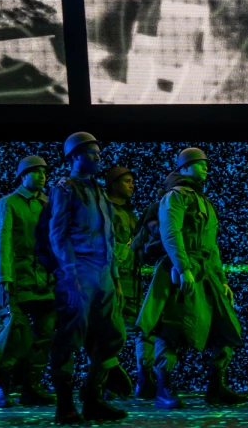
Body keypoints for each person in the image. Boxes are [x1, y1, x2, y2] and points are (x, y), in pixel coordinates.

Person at [137, 147, 248, 410]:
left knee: (226, 329)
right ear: (184, 168)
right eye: (199, 164)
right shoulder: (175, 197)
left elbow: (212, 246)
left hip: (206, 272)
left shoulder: (204, 202)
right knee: (173, 328)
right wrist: (182, 267)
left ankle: (216, 388)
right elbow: (170, 232)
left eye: (205, 164)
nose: (205, 168)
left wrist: (222, 279)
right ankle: (164, 389)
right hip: (180, 271)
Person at [49, 132, 127, 424]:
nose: (98, 157)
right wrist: (69, 275)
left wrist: (115, 278)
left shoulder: (99, 191)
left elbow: (109, 236)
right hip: (79, 270)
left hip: (103, 272)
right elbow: (58, 235)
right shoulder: (65, 188)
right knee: (69, 337)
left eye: (97, 152)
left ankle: (92, 397)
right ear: (74, 157)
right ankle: (65, 405)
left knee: (114, 334)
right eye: (90, 153)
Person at [0, 156, 56, 408]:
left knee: (45, 335)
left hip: (46, 281)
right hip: (17, 280)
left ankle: (32, 386)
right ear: (23, 175)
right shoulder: (8, 203)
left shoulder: (49, 204)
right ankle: (1, 387)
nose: (41, 176)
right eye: (35, 172)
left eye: (43, 172)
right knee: (14, 337)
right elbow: (2, 241)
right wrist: (2, 277)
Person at [102, 166, 154, 400]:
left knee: (144, 329)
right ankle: (105, 382)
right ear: (113, 184)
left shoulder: (131, 213)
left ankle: (145, 379)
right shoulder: (104, 211)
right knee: (112, 333)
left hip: (133, 281)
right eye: (127, 181)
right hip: (113, 282)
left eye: (133, 181)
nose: (132, 185)